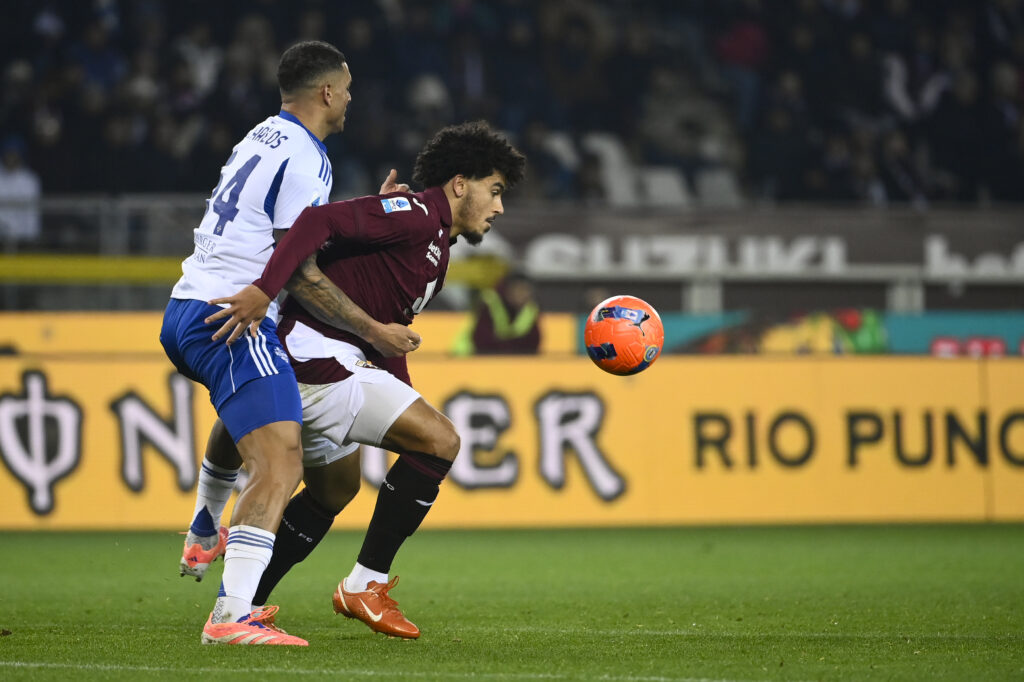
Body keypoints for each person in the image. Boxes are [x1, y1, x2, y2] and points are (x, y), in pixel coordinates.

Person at [206, 120, 527, 639]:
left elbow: (382, 338)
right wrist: (265, 289)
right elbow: (312, 223)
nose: (499, 207)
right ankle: (365, 584)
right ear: (460, 184)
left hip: (327, 359)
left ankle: (242, 604)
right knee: (441, 440)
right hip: (314, 357)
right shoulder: (417, 214)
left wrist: (404, 393)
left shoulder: (435, 251)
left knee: (335, 490)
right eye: (494, 191)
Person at [160, 39, 417, 647]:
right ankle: (230, 618)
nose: (351, 99)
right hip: (230, 317)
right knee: (279, 461)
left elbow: (293, 237)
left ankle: (204, 524)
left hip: (190, 305)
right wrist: (373, 331)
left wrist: (369, 218)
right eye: (347, 88)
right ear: (327, 91)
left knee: (264, 421)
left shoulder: (262, 136)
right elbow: (298, 268)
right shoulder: (308, 156)